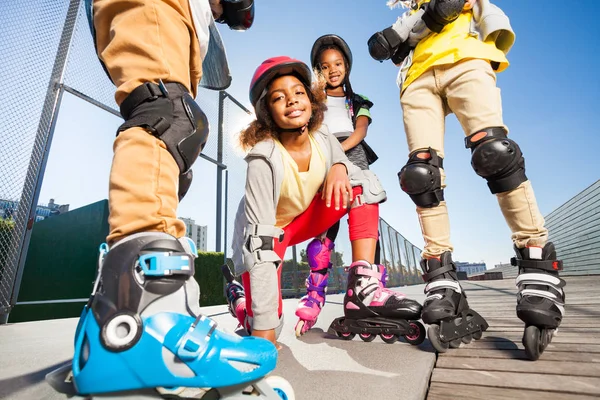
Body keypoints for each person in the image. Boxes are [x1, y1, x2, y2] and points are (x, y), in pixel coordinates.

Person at [48, 1, 294, 398]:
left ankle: (128, 310)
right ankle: (146, 314)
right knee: (164, 115)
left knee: (175, 132)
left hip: (179, 22)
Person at [367, 0, 566, 360]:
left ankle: (537, 257)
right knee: (420, 175)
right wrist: (398, 36)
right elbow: (390, 43)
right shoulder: (408, 13)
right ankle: (441, 276)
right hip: (416, 78)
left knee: (495, 154)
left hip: (465, 57)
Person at [224, 56, 422, 346]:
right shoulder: (263, 159)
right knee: (265, 324)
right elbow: (260, 242)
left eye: (299, 92)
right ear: (267, 112)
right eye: (279, 98)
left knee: (362, 181)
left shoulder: (322, 135)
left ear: (311, 99)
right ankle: (239, 301)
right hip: (266, 238)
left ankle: (363, 285)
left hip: (304, 218)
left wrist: (339, 167)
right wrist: (264, 333)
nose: (292, 101)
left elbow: (342, 161)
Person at [294, 34, 384, 337]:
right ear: (317, 71)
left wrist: (338, 152)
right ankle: (315, 296)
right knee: (323, 228)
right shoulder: (313, 101)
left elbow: (360, 132)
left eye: (338, 63)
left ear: (346, 65)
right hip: (324, 161)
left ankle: (370, 288)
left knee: (365, 214)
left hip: (352, 155)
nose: (332, 70)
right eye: (324, 66)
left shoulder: (359, 102)